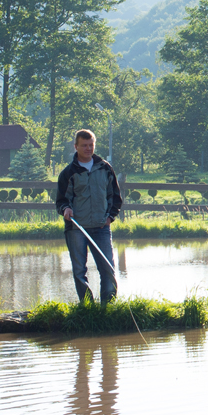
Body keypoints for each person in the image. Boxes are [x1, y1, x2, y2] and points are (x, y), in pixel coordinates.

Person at [55, 128, 123, 304]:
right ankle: (87, 307)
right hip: (76, 229)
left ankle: (108, 308)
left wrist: (110, 217)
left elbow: (115, 197)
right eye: (84, 145)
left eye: (91, 145)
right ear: (76, 146)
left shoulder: (106, 169)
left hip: (101, 227)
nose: (88, 148)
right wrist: (65, 210)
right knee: (79, 271)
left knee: (108, 268)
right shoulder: (68, 173)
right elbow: (61, 200)